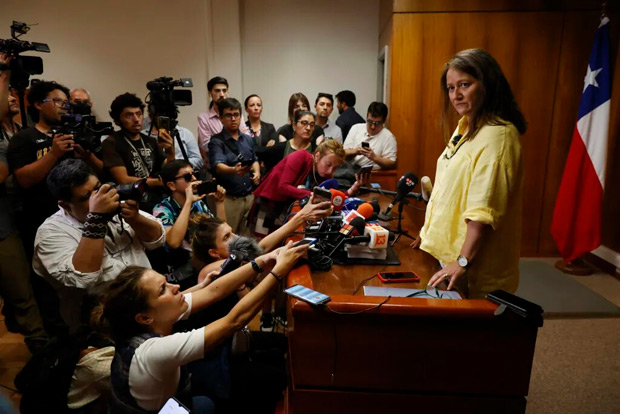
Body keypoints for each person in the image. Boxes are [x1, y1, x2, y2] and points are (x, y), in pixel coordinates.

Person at [93, 242, 308, 413]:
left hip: (171, 401)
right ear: (144, 317)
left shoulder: (156, 317)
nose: (175, 287)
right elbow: (234, 320)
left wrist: (260, 262)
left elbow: (213, 291)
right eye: (163, 290)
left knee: (205, 403)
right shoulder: (150, 353)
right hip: (166, 407)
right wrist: (278, 272)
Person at [417, 48, 526, 299]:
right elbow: (449, 189)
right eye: (451, 88)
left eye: (464, 84)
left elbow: (483, 211)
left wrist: (463, 262)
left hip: (472, 267)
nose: (456, 95)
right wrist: (426, 234)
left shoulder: (498, 135)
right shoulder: (466, 126)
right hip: (448, 255)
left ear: (487, 84)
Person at [33, 159, 166, 331]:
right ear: (65, 205)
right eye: (87, 197)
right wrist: (96, 219)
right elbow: (82, 277)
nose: (99, 197)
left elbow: (158, 240)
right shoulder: (50, 233)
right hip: (100, 326)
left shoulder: (114, 204)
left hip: (149, 308)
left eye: (98, 187)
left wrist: (135, 219)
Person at [0, 54, 48, 353]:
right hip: (3, 220)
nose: (11, 98)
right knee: (20, 293)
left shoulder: (19, 131)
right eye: (6, 94)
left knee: (24, 290)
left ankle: (42, 349)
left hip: (16, 217)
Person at [153, 160, 226, 287]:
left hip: (205, 265)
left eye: (195, 174)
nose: (193, 178)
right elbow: (173, 242)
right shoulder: (161, 209)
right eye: (187, 176)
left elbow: (221, 230)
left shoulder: (198, 203)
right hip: (181, 276)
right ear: (171, 185)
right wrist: (188, 202)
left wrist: (219, 203)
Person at [102, 93, 175, 210]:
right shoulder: (111, 142)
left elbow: (169, 170)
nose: (136, 119)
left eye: (139, 114)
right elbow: (123, 180)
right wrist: (160, 182)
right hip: (130, 201)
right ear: (117, 121)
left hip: (155, 199)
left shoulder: (150, 141)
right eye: (129, 115)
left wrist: (170, 151)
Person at [254, 139, 368, 204]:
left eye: (335, 168)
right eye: (328, 165)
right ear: (317, 156)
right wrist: (313, 194)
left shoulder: (325, 174)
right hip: (268, 204)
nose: (330, 171)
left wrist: (355, 187)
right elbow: (282, 187)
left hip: (287, 209)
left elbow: (333, 198)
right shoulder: (299, 157)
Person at [208, 98, 260, 235]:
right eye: (228, 115)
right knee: (229, 240)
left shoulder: (247, 139)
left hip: (249, 197)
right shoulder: (216, 141)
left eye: (236, 115)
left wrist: (257, 172)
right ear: (221, 118)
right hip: (229, 200)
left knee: (250, 239)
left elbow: (254, 159)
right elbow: (218, 166)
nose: (233, 119)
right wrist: (233, 170)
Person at [197, 76, 250, 165]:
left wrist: (218, 140)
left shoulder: (236, 113)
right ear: (210, 93)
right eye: (217, 91)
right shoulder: (203, 118)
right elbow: (207, 146)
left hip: (240, 163)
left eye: (224, 90)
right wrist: (234, 138)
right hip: (218, 165)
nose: (222, 94)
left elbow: (246, 138)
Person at [143, 103, 204, 170]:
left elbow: (198, 160)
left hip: (184, 176)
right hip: (155, 176)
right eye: (160, 115)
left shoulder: (184, 133)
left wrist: (178, 166)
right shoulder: (143, 135)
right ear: (151, 116)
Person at [343, 101, 397, 170]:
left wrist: (374, 157)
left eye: (377, 123)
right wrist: (355, 151)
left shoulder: (388, 137)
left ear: (384, 121)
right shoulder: (356, 128)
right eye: (370, 122)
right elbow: (343, 153)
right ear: (366, 117)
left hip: (373, 174)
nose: (373, 127)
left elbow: (391, 163)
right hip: (350, 170)